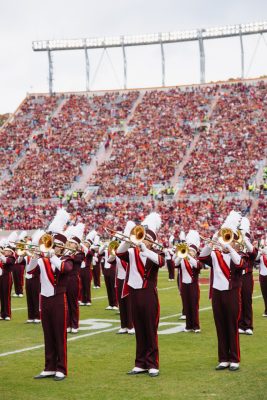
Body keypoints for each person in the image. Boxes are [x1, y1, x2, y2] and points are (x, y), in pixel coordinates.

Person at [116, 212, 165, 377]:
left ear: (151, 241)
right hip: (135, 294)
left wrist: (145, 249)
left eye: (145, 238)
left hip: (149, 295)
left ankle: (152, 364)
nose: (142, 240)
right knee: (139, 329)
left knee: (150, 330)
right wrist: (128, 240)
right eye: (141, 237)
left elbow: (161, 262)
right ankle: (140, 363)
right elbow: (119, 253)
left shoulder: (156, 254)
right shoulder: (132, 253)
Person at [27, 209, 73, 381]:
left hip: (59, 300)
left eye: (57, 246)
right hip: (44, 300)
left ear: (61, 247)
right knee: (48, 333)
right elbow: (30, 272)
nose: (54, 248)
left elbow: (64, 269)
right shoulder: (42, 260)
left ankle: (61, 368)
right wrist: (34, 256)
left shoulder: (66, 260)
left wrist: (53, 256)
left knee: (59, 334)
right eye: (53, 245)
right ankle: (49, 367)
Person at [198, 211, 244, 371]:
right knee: (220, 325)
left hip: (231, 293)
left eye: (229, 238)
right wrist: (211, 243)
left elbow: (239, 264)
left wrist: (230, 248)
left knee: (232, 325)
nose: (226, 241)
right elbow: (202, 258)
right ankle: (223, 358)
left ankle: (234, 359)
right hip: (217, 293)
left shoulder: (237, 254)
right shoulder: (215, 255)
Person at [174, 230, 202, 333]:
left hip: (193, 286)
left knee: (194, 306)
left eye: (192, 251)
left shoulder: (196, 261)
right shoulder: (182, 260)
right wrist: (180, 254)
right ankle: (188, 326)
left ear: (195, 253)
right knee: (186, 305)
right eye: (189, 250)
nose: (190, 252)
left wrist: (188, 256)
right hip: (184, 286)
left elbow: (198, 266)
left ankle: (196, 326)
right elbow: (175, 263)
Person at [238, 217, 258, 335]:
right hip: (237, 276)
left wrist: (245, 240)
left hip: (246, 276)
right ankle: (240, 324)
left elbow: (254, 254)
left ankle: (248, 325)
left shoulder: (249, 245)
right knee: (238, 301)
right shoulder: (236, 244)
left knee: (247, 300)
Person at [0, 236, 16, 320]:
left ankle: (7, 314)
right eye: (4, 250)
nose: (5, 251)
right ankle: (2, 314)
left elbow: (6, 261)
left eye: (6, 250)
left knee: (6, 296)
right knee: (1, 296)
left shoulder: (12, 258)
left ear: (10, 252)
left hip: (7, 277)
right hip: (1, 277)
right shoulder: (3, 257)